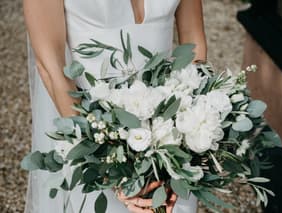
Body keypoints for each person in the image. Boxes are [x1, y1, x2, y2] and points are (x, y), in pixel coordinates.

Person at [23, 0, 207, 212]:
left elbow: (194, 44)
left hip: (171, 137)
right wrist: (109, 166)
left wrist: (188, 132)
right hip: (96, 139)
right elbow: (51, 68)